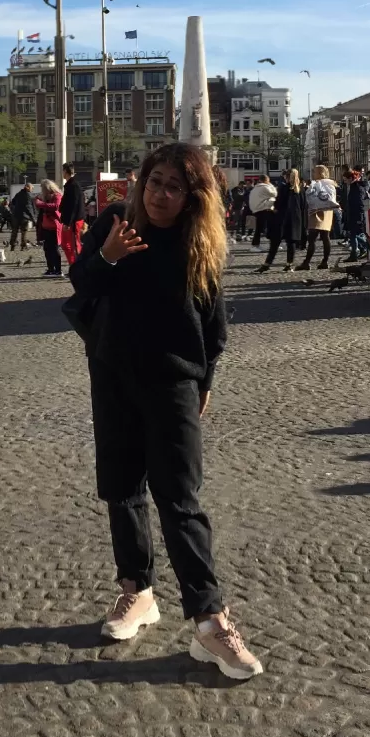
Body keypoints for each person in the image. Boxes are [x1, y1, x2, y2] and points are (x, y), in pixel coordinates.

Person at [69, 142, 262, 679]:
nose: (160, 194)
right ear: (141, 182)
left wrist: (207, 380)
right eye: (154, 182)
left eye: (173, 187)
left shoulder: (197, 242)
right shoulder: (114, 221)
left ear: (192, 197)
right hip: (112, 374)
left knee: (179, 498)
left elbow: (214, 324)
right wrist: (108, 255)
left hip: (173, 379)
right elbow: (81, 287)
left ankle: (210, 620)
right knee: (121, 486)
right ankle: (137, 591)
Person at [256, 168, 306, 272]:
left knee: (275, 243)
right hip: (294, 219)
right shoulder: (300, 189)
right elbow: (304, 205)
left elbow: (277, 203)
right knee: (291, 243)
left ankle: (267, 264)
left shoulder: (283, 188)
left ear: (286, 177)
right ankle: (289, 264)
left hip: (281, 219)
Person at [298, 165, 338, 271]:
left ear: (320, 173)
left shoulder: (317, 184)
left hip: (316, 211)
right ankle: (325, 261)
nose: (313, 174)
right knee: (325, 236)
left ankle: (306, 263)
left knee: (312, 238)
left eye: (314, 172)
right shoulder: (330, 184)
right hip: (327, 211)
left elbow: (311, 197)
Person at [59, 163, 86, 265]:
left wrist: (68, 222)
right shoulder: (71, 185)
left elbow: (73, 206)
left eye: (63, 171)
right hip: (71, 220)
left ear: (65, 171)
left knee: (73, 245)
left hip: (73, 221)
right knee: (66, 244)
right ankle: (73, 265)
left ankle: (77, 266)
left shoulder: (73, 186)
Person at [35, 180, 63, 277]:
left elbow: (56, 206)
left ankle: (58, 270)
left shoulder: (57, 195)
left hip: (54, 226)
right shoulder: (46, 197)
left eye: (43, 188)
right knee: (47, 248)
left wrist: (41, 203)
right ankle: (51, 269)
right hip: (46, 226)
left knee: (54, 249)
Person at [344, 169, 370, 262]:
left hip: (356, 214)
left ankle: (365, 249)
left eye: (345, 180)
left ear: (351, 178)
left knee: (354, 234)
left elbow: (359, 203)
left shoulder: (356, 188)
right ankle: (364, 249)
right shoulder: (354, 186)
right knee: (354, 234)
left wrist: (359, 216)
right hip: (353, 214)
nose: (345, 182)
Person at [247, 174, 277, 250]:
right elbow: (275, 194)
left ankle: (256, 244)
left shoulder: (255, 188)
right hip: (263, 209)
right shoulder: (264, 187)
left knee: (259, 228)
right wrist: (271, 185)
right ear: (267, 180)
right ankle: (258, 245)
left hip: (257, 209)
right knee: (269, 227)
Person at [9, 183, 36, 252]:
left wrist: (16, 208)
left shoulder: (18, 194)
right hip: (24, 217)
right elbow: (29, 208)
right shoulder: (29, 195)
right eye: (31, 188)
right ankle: (23, 246)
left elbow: (13, 202)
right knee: (24, 232)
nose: (32, 190)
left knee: (14, 231)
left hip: (16, 215)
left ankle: (13, 246)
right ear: (27, 187)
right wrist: (33, 218)